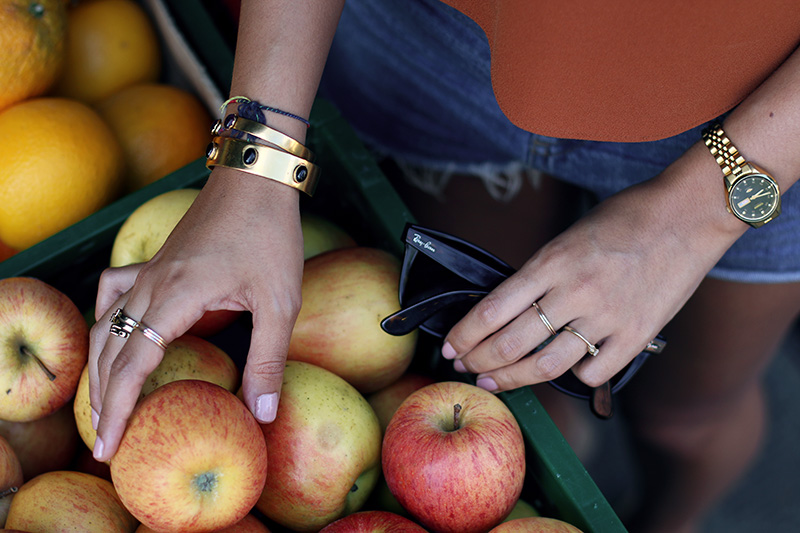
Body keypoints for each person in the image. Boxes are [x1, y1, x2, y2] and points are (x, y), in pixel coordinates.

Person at [88, 1, 800, 531]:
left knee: (687, 418)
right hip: (436, 43)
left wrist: (696, 215)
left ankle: (673, 517)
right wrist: (254, 164)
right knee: (508, 367)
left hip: (760, 115)